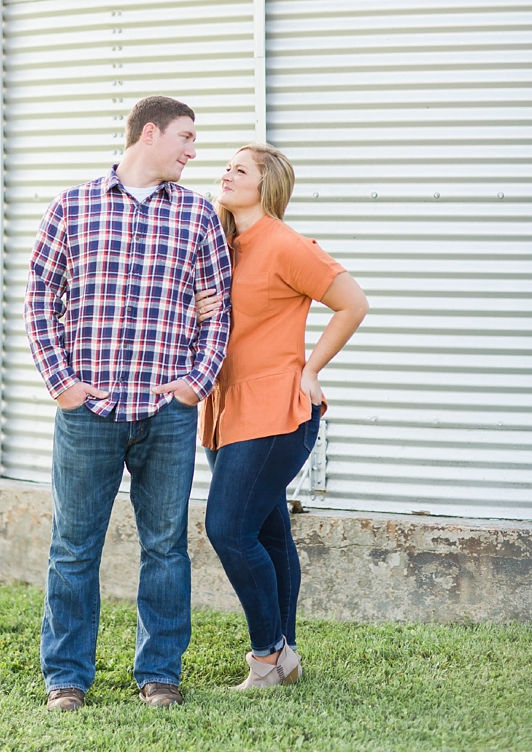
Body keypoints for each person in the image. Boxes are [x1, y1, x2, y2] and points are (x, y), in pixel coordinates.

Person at [24, 95, 233, 711]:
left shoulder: (197, 217)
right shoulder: (73, 206)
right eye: (186, 138)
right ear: (150, 134)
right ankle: (66, 678)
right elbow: (40, 299)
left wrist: (197, 382)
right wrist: (61, 383)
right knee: (73, 546)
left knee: (166, 545)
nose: (194, 152)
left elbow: (217, 312)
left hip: (168, 412)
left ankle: (160, 673)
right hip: (88, 411)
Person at [193, 143, 368, 688]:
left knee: (226, 526)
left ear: (266, 185)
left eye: (239, 169)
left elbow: (353, 302)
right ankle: (284, 656)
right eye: (225, 166)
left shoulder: (286, 245)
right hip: (225, 406)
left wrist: (311, 369)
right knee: (269, 535)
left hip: (276, 410)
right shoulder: (223, 246)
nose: (226, 174)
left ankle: (267, 656)